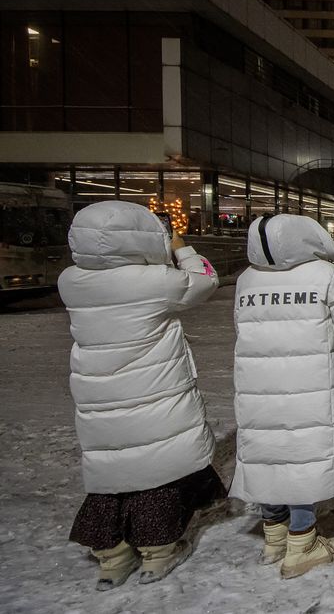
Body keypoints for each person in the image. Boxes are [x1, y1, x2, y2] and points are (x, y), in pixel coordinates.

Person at [58, 201, 224, 590]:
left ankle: (111, 556)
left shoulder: (71, 280)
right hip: (153, 392)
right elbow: (206, 279)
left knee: (112, 468)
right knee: (154, 467)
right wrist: (180, 246)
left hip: (98, 395)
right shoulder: (153, 281)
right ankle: (158, 551)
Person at [229, 214, 334, 579]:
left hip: (257, 384)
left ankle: (273, 536)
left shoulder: (246, 280)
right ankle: (302, 542)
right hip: (312, 382)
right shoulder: (325, 276)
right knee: (302, 455)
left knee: (269, 451)